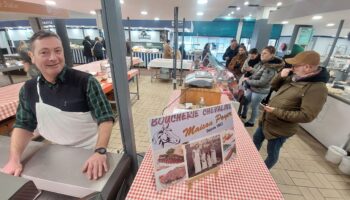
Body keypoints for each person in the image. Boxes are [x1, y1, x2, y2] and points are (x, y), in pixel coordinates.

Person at [1, 30, 114, 180]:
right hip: (55, 151)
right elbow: (23, 125)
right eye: (44, 52)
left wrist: (100, 151)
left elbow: (105, 118)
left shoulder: (85, 82)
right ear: (32, 57)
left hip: (90, 151)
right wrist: (14, 160)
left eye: (57, 51)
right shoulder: (28, 89)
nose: (53, 58)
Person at [253, 51, 329, 169]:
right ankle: (249, 162)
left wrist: (276, 111)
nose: (292, 68)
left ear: (307, 67)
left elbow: (307, 116)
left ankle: (262, 173)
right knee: (255, 141)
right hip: (267, 121)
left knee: (272, 153)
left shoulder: (317, 88)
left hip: (280, 129)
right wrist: (280, 76)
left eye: (295, 65)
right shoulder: (295, 77)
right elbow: (274, 87)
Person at [241, 46, 284, 127]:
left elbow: (262, 82)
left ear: (272, 55)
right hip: (253, 87)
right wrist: (249, 77)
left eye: (265, 53)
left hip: (260, 91)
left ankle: (251, 122)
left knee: (254, 106)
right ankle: (243, 114)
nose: (262, 55)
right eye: (262, 53)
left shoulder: (271, 68)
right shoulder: (264, 63)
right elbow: (257, 74)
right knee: (246, 101)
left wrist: (248, 81)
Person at [237, 48, 261, 117]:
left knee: (247, 101)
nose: (251, 57)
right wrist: (244, 69)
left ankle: (244, 114)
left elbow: (260, 73)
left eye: (253, 56)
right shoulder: (247, 59)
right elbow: (242, 70)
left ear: (256, 54)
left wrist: (251, 70)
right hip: (245, 80)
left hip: (253, 82)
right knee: (242, 98)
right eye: (250, 55)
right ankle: (239, 113)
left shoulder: (260, 62)